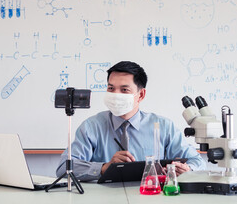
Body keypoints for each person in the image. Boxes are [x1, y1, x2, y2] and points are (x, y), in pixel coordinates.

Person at [56, 61, 206, 181]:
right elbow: (64, 167)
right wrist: (104, 168)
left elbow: (197, 161)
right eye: (111, 88)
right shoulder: (91, 126)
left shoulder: (163, 126)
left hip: (150, 197)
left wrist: (188, 170)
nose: (115, 94)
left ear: (140, 95)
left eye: (124, 90)